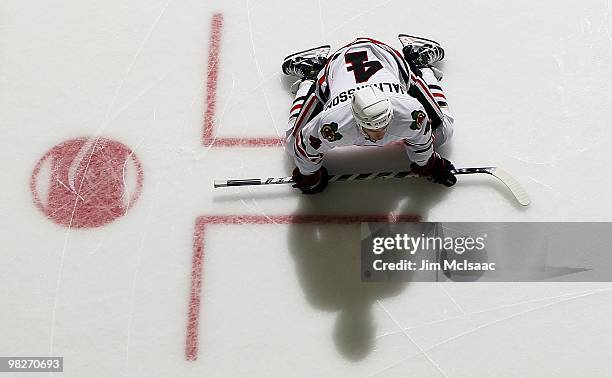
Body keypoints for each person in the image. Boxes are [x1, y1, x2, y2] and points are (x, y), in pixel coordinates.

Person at [282, 35, 456, 194]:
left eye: (384, 125)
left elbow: (423, 142)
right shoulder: (332, 123)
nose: (380, 134)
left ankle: (419, 63)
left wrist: (429, 164)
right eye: (373, 129)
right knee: (292, 144)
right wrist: (309, 174)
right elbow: (304, 146)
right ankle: (311, 73)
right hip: (337, 65)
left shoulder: (410, 112)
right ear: (356, 119)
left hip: (386, 57)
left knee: (443, 132)